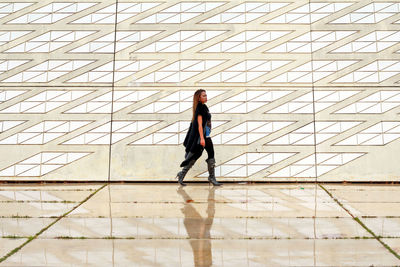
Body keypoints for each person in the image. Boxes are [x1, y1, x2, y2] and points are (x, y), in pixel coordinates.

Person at [176, 89, 221, 186]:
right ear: (199, 98)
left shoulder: (204, 107)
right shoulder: (200, 108)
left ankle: (211, 177)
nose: (206, 97)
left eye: (206, 95)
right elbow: (199, 125)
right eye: (203, 96)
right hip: (203, 137)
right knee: (194, 157)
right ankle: (182, 174)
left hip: (206, 135)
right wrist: (202, 138)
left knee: (209, 155)